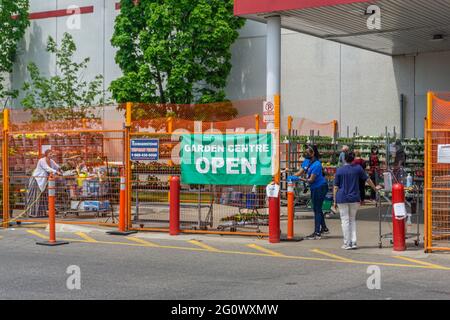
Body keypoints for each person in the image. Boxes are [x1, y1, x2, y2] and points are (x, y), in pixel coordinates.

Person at [333, 151, 380, 250]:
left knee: (345, 220)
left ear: (344, 159)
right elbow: (368, 179)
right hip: (354, 197)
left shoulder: (339, 170)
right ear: (353, 159)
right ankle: (353, 242)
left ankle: (347, 243)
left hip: (342, 197)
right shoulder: (358, 169)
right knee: (352, 220)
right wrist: (375, 188)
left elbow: (336, 187)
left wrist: (334, 200)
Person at [293, 145, 329, 239]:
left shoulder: (317, 164)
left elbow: (311, 180)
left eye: (307, 152)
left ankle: (317, 233)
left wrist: (301, 179)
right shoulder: (307, 161)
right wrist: (292, 176)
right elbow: (300, 171)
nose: (305, 154)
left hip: (320, 187)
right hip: (315, 188)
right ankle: (324, 228)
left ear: (313, 153)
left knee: (317, 209)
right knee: (317, 208)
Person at [26, 149, 62, 217]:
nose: (52, 155)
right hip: (37, 180)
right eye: (50, 154)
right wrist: (56, 172)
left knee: (43, 197)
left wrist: (60, 169)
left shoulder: (51, 161)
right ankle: (33, 213)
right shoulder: (41, 160)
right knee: (35, 196)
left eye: (52, 154)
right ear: (46, 154)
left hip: (44, 181)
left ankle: (42, 213)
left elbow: (57, 167)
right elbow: (47, 168)